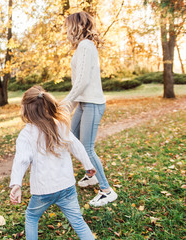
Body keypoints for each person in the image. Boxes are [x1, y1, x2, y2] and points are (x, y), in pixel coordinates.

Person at [9, 86, 96, 240]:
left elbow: (21, 160)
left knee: (31, 217)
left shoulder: (26, 134)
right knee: (78, 221)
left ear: (26, 110)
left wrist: (16, 183)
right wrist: (88, 165)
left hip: (43, 191)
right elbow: (77, 146)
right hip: (67, 187)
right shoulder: (60, 125)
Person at [63, 11, 118, 207]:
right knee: (70, 137)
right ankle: (90, 175)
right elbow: (78, 83)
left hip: (93, 104)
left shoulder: (86, 46)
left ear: (77, 26)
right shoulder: (81, 48)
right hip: (83, 104)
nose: (66, 30)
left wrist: (65, 102)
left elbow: (83, 81)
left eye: (68, 25)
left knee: (87, 147)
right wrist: (70, 105)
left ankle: (106, 190)